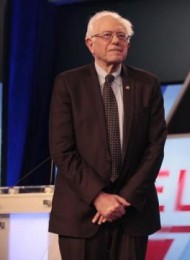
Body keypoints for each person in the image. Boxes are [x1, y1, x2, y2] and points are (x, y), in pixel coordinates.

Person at [48, 10, 167, 260]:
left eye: (122, 36)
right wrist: (98, 196)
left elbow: (154, 147)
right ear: (90, 44)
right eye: (107, 35)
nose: (116, 41)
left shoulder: (147, 84)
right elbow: (62, 149)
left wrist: (123, 200)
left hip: (131, 213)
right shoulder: (69, 84)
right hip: (81, 213)